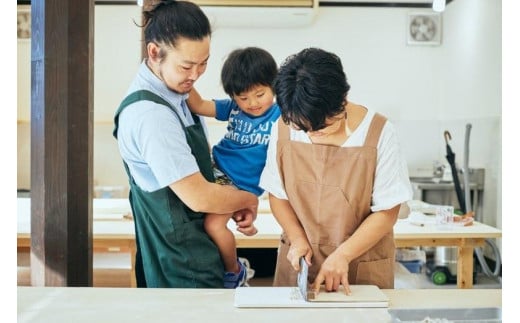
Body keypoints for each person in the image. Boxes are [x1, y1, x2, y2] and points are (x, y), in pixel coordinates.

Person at [113, 0, 258, 288]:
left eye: (204, 63)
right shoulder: (151, 115)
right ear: (154, 52)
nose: (195, 75)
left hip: (197, 251)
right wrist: (248, 199)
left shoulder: (175, 91)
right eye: (187, 66)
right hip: (182, 264)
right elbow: (199, 197)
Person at [259, 47, 413, 294]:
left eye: (321, 127)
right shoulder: (286, 127)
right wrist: (297, 238)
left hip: (361, 264)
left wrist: (343, 254)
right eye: (303, 129)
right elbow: (278, 194)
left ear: (343, 100)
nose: (312, 135)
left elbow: (387, 210)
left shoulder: (378, 132)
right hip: (300, 264)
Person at [187, 47, 281, 288]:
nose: (252, 103)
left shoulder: (282, 115)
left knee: (213, 225)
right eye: (243, 97)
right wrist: (182, 75)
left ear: (274, 86)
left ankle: (234, 270)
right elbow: (198, 105)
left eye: (260, 95)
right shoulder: (233, 108)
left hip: (238, 184)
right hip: (213, 167)